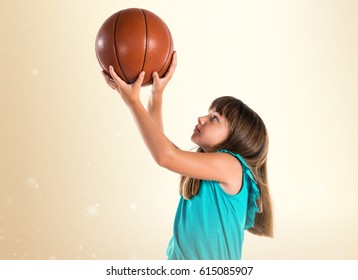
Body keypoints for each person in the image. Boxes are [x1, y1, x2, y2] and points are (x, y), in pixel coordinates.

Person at [102, 52, 274, 260]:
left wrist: (132, 101)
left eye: (214, 118)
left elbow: (165, 155)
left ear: (235, 138)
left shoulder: (231, 166)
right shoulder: (211, 169)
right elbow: (159, 142)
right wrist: (157, 93)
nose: (201, 118)